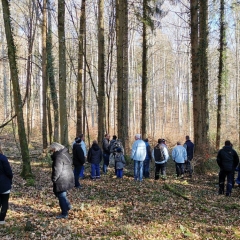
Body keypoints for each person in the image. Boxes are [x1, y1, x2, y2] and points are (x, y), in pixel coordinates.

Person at [50, 142, 74, 219]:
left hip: (62, 178)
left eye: (52, 150)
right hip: (67, 176)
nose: (52, 152)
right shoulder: (65, 154)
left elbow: (57, 169)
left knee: (61, 196)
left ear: (55, 149)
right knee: (61, 194)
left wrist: (54, 178)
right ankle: (68, 206)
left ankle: (64, 213)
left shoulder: (58, 157)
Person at [0, 146, 13, 224]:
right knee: (4, 201)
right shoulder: (3, 158)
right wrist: (10, 178)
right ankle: (1, 219)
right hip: (4, 183)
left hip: (4, 182)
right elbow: (8, 171)